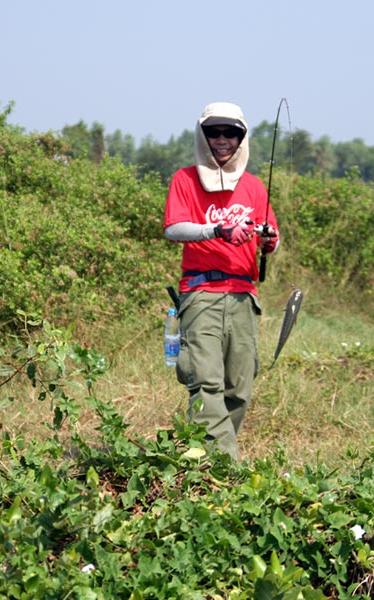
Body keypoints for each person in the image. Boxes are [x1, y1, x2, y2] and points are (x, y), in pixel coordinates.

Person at [163, 101, 279, 460]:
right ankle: (225, 466)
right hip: (201, 293)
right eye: (214, 133)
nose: (223, 140)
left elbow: (268, 235)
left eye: (231, 133)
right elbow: (173, 229)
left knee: (239, 387)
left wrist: (270, 240)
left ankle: (206, 457)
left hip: (243, 296)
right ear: (203, 136)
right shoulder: (184, 179)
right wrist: (218, 229)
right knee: (205, 381)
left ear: (242, 138)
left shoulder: (256, 186)